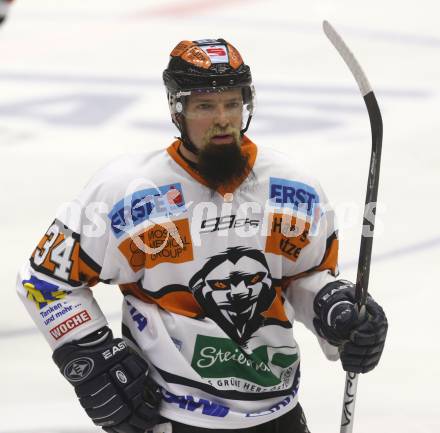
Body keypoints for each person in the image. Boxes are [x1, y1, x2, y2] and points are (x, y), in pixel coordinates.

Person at [17, 38, 388, 433]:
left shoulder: (293, 189)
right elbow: (46, 282)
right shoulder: (126, 194)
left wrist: (336, 311)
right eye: (205, 106)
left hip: (279, 412)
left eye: (232, 103)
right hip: (173, 415)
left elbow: (302, 279)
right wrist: (93, 359)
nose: (223, 118)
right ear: (177, 110)